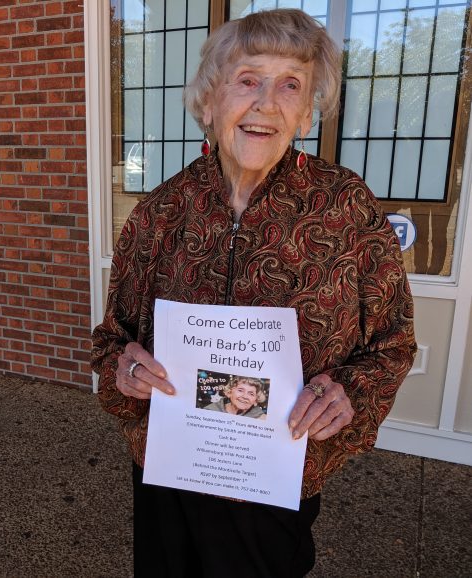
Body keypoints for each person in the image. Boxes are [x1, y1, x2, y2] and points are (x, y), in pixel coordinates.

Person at [91, 9, 417, 578]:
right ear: (211, 100)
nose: (267, 102)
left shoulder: (344, 209)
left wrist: (349, 394)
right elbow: (112, 339)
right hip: (169, 471)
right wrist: (124, 369)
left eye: (290, 84)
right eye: (248, 80)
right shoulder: (158, 213)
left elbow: (392, 343)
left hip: (273, 481)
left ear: (308, 112)